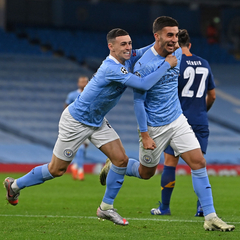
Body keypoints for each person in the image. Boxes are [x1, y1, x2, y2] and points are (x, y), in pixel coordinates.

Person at [3, 28, 177, 226]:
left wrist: (166, 41)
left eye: (129, 43)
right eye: (123, 44)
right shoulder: (111, 67)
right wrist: (166, 65)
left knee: (120, 160)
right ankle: (14, 185)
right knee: (56, 169)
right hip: (76, 121)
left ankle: (106, 208)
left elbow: (150, 49)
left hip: (97, 120)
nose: (128, 47)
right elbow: (143, 85)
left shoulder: (129, 56)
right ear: (110, 47)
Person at [100, 17, 235, 231]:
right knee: (147, 173)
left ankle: (210, 217)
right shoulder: (144, 65)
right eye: (169, 35)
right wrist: (145, 134)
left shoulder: (179, 52)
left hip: (178, 120)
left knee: (198, 162)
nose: (174, 39)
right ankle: (118, 166)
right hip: (154, 128)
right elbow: (138, 102)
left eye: (177, 34)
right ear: (157, 36)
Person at [150, 29, 216, 217]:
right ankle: (202, 207)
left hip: (177, 120)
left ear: (176, 45)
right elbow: (212, 96)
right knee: (199, 165)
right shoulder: (204, 63)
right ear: (190, 45)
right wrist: (202, 111)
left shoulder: (173, 63)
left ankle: (164, 208)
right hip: (200, 120)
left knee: (170, 163)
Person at [64, 76, 89, 181]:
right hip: (76, 125)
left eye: (84, 81)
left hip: (89, 124)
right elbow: (66, 107)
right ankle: (80, 170)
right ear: (78, 83)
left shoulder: (91, 94)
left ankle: (75, 166)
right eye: (81, 81)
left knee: (84, 147)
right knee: (81, 147)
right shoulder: (72, 95)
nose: (83, 83)